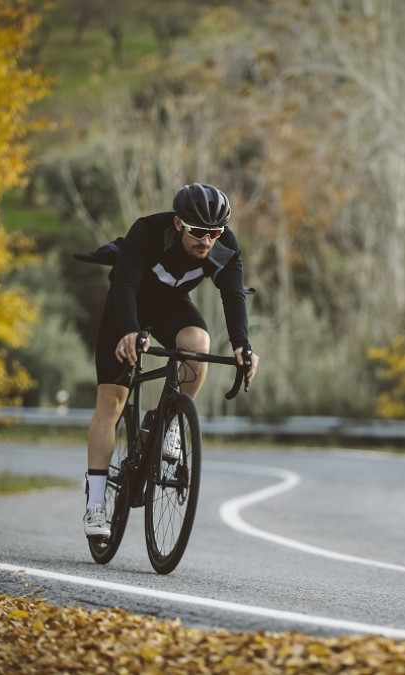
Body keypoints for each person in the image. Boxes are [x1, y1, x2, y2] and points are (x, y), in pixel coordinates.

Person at [82, 183, 259, 537]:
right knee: (111, 400)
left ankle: (173, 421)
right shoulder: (147, 233)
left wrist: (242, 345)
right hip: (127, 308)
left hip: (169, 308)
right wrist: (130, 331)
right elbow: (125, 287)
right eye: (198, 232)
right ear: (179, 223)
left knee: (198, 342)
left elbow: (233, 295)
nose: (206, 241)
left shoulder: (223, 247)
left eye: (215, 233)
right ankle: (96, 505)